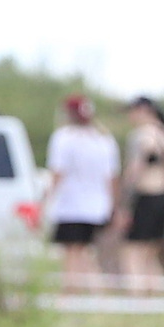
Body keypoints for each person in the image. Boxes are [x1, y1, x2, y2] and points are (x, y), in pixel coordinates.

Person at [41, 94, 119, 285]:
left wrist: (45, 199)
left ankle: (71, 292)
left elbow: (58, 172)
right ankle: (96, 292)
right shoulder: (104, 140)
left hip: (71, 205)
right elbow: (112, 178)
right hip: (98, 206)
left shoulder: (63, 138)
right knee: (85, 251)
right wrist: (113, 206)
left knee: (71, 253)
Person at [119, 95, 164, 290]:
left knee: (133, 251)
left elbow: (136, 169)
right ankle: (154, 295)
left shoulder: (143, 135)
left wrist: (124, 202)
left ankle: (137, 295)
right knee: (151, 253)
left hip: (144, 197)